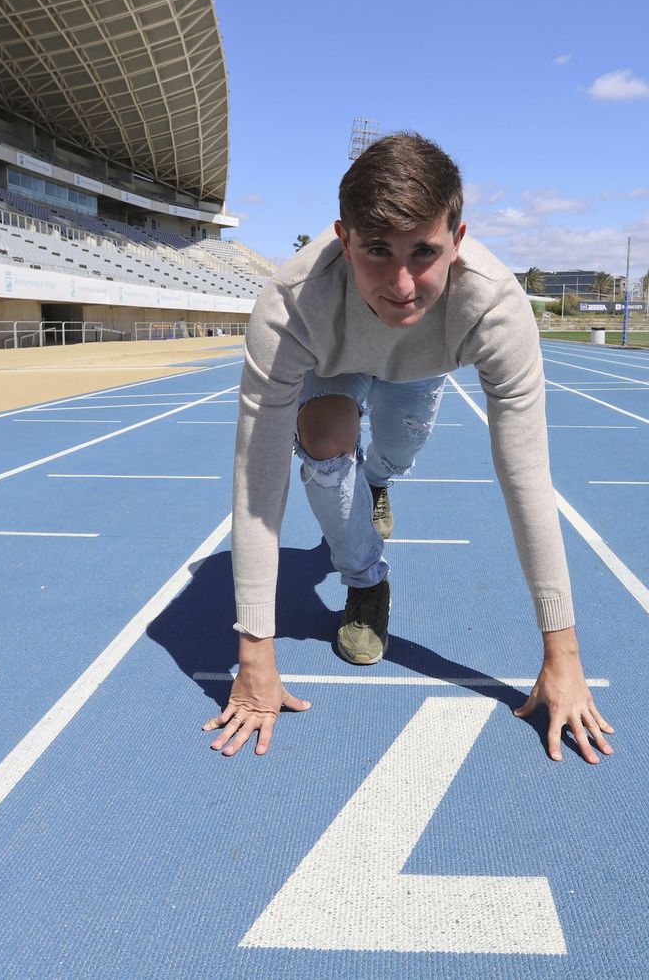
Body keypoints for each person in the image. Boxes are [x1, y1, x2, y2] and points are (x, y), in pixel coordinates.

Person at [205, 133, 614, 764]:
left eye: (424, 252)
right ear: (343, 239)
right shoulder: (289, 306)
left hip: (422, 364)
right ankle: (366, 580)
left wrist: (563, 656)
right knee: (322, 445)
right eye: (376, 251)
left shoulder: (495, 305)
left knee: (393, 448)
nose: (401, 284)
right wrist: (254, 653)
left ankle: (379, 478)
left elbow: (525, 475)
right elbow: (257, 481)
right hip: (331, 359)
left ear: (457, 237)